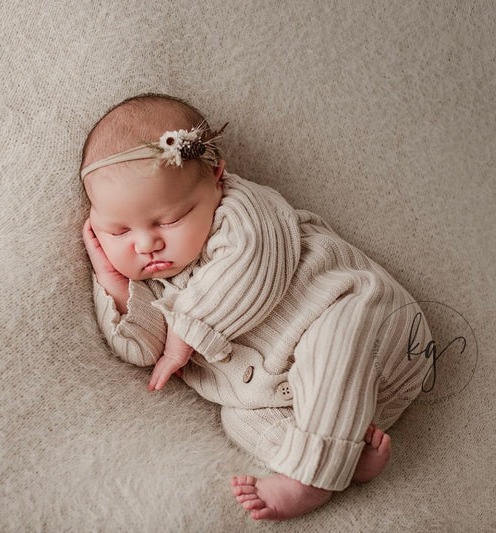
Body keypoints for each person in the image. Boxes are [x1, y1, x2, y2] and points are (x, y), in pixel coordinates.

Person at [80, 93, 433, 521]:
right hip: (322, 403)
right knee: (238, 419)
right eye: (117, 231)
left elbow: (254, 265)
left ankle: (311, 478)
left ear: (216, 178)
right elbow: (146, 349)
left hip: (371, 329)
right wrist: (114, 282)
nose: (146, 243)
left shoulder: (242, 212)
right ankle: (341, 450)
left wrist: (185, 334)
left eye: (168, 220)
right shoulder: (148, 280)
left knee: (334, 339)